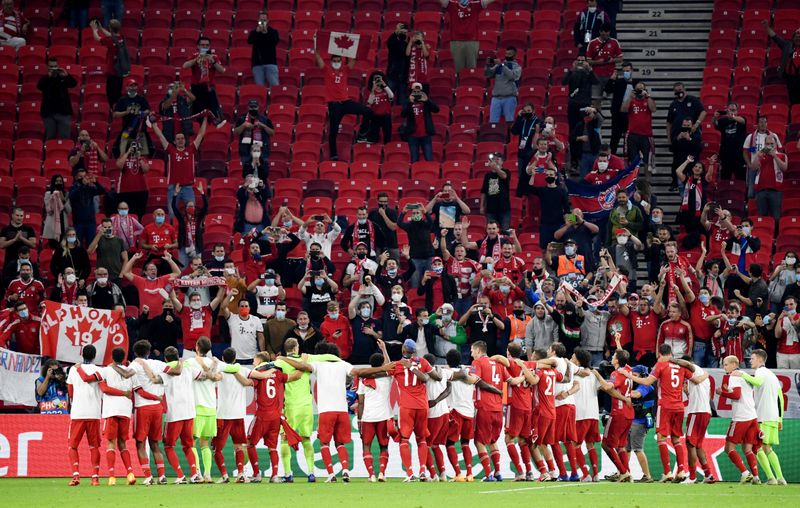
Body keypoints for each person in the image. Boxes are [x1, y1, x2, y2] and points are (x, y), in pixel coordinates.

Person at [627, 344, 692, 482]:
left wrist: (629, 376)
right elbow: (694, 378)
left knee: (661, 438)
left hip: (666, 406)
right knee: (676, 439)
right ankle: (681, 471)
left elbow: (647, 381)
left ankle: (667, 472)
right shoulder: (680, 366)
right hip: (679, 407)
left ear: (660, 354)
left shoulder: (660, 365)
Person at [138, 346, 201, 483]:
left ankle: (180, 475)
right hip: (190, 412)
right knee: (188, 446)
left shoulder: (166, 370)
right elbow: (202, 376)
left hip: (175, 414)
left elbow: (154, 380)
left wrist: (143, 365)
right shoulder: (187, 367)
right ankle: (194, 474)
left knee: (168, 446)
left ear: (166, 359)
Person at [734, 349, 787, 485]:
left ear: (759, 359)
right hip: (773, 417)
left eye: (752, 359)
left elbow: (757, 382)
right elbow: (780, 398)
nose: (750, 361)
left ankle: (771, 478)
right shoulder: (772, 375)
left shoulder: (760, 372)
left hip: (763, 415)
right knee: (767, 448)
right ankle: (780, 478)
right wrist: (780, 418)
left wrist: (742, 374)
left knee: (756, 448)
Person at [314, 49, 371, 160]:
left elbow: (353, 59)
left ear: (341, 61)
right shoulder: (326, 70)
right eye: (334, 60)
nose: (336, 62)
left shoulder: (345, 70)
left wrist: (352, 47)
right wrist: (316, 43)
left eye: (338, 60)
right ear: (331, 62)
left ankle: (362, 133)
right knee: (333, 131)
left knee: (368, 111)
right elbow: (318, 57)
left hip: (346, 102)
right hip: (334, 106)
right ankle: (333, 155)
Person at [151, 116, 208, 220]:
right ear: (174, 141)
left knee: (192, 213)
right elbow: (160, 136)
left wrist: (205, 119)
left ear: (185, 140)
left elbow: (201, 134)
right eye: (178, 139)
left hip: (188, 188)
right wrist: (153, 123)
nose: (180, 140)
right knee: (172, 214)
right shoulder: (170, 149)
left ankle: (190, 234)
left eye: (182, 138)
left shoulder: (191, 149)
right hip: (173, 187)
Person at [127, 340, 167, 486]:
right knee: (155, 443)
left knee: (140, 444)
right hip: (158, 408)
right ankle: (162, 476)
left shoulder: (134, 366)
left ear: (135, 353)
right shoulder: (158, 364)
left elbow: (139, 391)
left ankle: (148, 476)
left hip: (143, 408)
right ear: (149, 352)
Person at [717, 354, 761, 484]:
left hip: (741, 417)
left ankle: (745, 472)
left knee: (729, 448)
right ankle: (756, 477)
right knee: (747, 449)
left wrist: (722, 393)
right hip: (752, 416)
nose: (724, 367)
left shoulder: (734, 375)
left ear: (734, 364)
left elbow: (736, 395)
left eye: (726, 364)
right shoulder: (744, 375)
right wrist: (728, 390)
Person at [592, 349, 633, 481]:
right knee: (621, 446)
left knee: (606, 445)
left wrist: (598, 376)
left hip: (618, 413)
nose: (612, 357)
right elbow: (623, 355)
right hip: (628, 412)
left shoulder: (616, 374)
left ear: (617, 360)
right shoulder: (628, 370)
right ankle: (626, 473)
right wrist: (618, 342)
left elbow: (609, 387)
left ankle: (623, 472)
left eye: (614, 356)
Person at [65, 345, 103, 486]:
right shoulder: (100, 370)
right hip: (94, 413)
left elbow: (70, 392)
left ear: (82, 354)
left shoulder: (73, 370)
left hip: (78, 413)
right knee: (94, 447)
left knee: (73, 446)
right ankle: (95, 478)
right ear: (94, 355)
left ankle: (76, 476)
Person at [98, 348, 136, 486]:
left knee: (111, 443)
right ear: (124, 358)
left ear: (112, 357)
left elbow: (105, 389)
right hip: (125, 410)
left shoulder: (106, 371)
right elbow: (131, 391)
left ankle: (112, 476)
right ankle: (130, 473)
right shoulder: (130, 372)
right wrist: (124, 394)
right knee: (122, 443)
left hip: (111, 411)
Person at [675, 356, 715, 483]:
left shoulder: (695, 369)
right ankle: (708, 474)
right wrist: (688, 393)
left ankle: (692, 477)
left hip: (697, 412)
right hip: (705, 412)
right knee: (697, 445)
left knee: (690, 444)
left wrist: (672, 360)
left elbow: (688, 365)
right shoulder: (703, 375)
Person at [356, 349, 394, 483]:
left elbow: (360, 402)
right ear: (382, 363)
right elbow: (390, 365)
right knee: (383, 446)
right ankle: (382, 473)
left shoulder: (363, 379)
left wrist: (359, 419)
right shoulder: (388, 376)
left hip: (368, 417)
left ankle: (371, 474)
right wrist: (384, 349)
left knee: (366, 445)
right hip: (384, 416)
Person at [441, 0, 497, 73]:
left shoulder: (475, 5)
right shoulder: (452, 4)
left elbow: (486, 1)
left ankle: (471, 83)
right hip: (456, 41)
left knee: (471, 69)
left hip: (472, 41)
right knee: (458, 71)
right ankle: (460, 84)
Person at [183, 36, 226, 126]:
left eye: (207, 45)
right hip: (196, 88)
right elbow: (185, 66)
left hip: (209, 87)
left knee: (213, 114)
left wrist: (213, 62)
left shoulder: (214, 56)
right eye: (202, 45)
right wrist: (196, 60)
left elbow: (222, 70)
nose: (204, 47)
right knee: (197, 114)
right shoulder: (194, 55)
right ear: (198, 46)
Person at [89, 18, 127, 107]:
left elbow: (97, 38)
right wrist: (101, 29)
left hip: (112, 73)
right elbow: (111, 35)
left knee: (111, 95)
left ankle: (113, 109)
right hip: (120, 72)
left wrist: (94, 29)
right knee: (118, 93)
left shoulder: (110, 41)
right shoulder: (121, 38)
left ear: (110, 28)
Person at [38, 58, 78, 140]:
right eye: (51, 66)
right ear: (47, 67)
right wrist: (48, 77)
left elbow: (73, 84)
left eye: (55, 66)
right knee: (50, 138)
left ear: (58, 66)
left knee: (65, 138)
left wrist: (67, 75)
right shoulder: (45, 79)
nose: (53, 68)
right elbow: (39, 86)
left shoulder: (62, 76)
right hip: (49, 113)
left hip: (64, 112)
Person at [221, 289, 264, 364]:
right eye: (242, 306)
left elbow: (261, 338)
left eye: (246, 306)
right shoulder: (232, 318)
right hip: (236, 358)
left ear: (249, 308)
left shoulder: (256, 319)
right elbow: (223, 307)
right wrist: (230, 294)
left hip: (253, 358)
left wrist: (263, 354)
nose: (244, 308)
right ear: (238, 308)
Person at [234, 100, 274, 180]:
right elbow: (235, 132)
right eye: (251, 107)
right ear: (248, 107)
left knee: (263, 175)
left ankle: (261, 189)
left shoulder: (265, 120)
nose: (253, 109)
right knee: (247, 175)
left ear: (258, 107)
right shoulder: (242, 119)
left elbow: (272, 132)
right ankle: (249, 191)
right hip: (246, 151)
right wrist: (243, 126)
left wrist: (263, 126)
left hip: (262, 151)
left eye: (254, 107)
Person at [751, 134, 787, 220]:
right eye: (767, 144)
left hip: (776, 191)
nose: (769, 145)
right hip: (761, 190)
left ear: (776, 144)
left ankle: (776, 233)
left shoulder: (782, 155)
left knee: (776, 217)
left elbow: (784, 168)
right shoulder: (761, 155)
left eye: (772, 143)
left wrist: (774, 156)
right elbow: (753, 167)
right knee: (762, 217)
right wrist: (757, 156)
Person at [398, 204, 434, 289]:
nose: (415, 214)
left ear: (421, 215)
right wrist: (403, 212)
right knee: (415, 284)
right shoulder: (409, 225)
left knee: (430, 284)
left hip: (429, 258)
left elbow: (431, 221)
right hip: (415, 259)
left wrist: (425, 212)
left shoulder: (426, 224)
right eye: (413, 213)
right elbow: (399, 223)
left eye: (417, 213)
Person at [763, 21, 800, 105]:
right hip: (790, 77)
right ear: (793, 38)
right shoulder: (787, 45)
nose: (798, 38)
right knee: (793, 99)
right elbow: (775, 37)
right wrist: (767, 28)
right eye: (796, 36)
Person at [512, 104, 546, 196]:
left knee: (532, 174)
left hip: (532, 153)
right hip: (522, 153)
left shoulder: (538, 121)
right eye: (525, 111)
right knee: (521, 176)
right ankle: (522, 195)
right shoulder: (522, 121)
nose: (527, 113)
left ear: (533, 111)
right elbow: (514, 131)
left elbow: (544, 129)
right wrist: (518, 117)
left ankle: (532, 193)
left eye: (529, 111)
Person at [622, 81, 656, 171]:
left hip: (646, 136)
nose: (640, 91)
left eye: (641, 89)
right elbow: (623, 109)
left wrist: (647, 96)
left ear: (645, 90)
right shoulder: (631, 101)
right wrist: (630, 97)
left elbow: (653, 109)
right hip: (633, 135)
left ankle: (647, 184)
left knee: (647, 162)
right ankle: (632, 183)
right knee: (632, 162)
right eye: (638, 89)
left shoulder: (648, 100)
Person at [604, 62, 637, 155]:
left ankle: (630, 161)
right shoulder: (618, 82)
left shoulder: (636, 83)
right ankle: (612, 158)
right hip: (618, 115)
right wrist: (611, 79)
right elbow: (608, 90)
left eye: (628, 71)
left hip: (631, 116)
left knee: (630, 140)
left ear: (632, 70)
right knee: (614, 138)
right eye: (624, 71)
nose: (626, 72)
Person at [401, 83, 439, 163]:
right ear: (411, 91)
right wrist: (409, 103)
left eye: (419, 91)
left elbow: (436, 109)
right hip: (413, 135)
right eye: (415, 91)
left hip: (425, 134)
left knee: (429, 159)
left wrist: (427, 100)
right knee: (414, 159)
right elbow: (403, 114)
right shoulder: (408, 101)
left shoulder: (426, 101)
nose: (417, 93)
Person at [585, 24, 623, 103]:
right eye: (604, 32)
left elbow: (620, 58)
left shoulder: (614, 42)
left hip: (610, 75)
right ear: (600, 32)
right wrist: (599, 62)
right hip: (596, 75)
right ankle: (595, 114)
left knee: (612, 100)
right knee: (595, 100)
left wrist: (611, 60)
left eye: (607, 32)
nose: (606, 34)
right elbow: (588, 60)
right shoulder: (592, 43)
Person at [485, 47, 522, 123]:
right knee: (493, 122)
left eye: (509, 54)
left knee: (509, 121)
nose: (507, 55)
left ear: (514, 56)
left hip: (509, 97)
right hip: (496, 98)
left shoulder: (517, 67)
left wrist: (502, 65)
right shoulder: (499, 65)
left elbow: (513, 76)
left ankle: (509, 134)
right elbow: (488, 74)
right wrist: (488, 65)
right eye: (506, 54)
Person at [714, 102, 748, 181]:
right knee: (725, 178)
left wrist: (732, 117)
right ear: (727, 110)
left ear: (737, 111)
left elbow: (743, 121)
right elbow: (715, 124)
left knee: (740, 178)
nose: (732, 112)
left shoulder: (741, 119)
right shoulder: (723, 121)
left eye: (734, 110)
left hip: (739, 156)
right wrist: (715, 118)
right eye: (730, 110)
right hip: (725, 155)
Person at [115, 141, 149, 219]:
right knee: (125, 214)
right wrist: (127, 153)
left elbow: (146, 169)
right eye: (132, 146)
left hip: (141, 190)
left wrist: (139, 158)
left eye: (136, 146)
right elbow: (119, 166)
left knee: (139, 214)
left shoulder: (142, 158)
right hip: (125, 190)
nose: (134, 148)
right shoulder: (123, 157)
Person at [481, 153, 512, 230]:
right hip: (491, 209)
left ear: (502, 162)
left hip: (504, 209)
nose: (495, 161)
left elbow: (504, 176)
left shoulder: (506, 171)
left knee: (505, 231)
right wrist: (482, 206)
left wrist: (496, 168)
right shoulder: (487, 175)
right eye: (494, 159)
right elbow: (484, 191)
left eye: (498, 159)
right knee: (491, 231)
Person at [248, 11, 280, 87]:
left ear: (268, 21)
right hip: (257, 64)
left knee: (274, 85)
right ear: (258, 20)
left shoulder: (273, 32)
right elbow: (249, 41)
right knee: (259, 88)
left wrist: (266, 33)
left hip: (270, 62)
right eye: (261, 20)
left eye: (264, 20)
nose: (262, 22)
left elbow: (275, 41)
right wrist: (257, 32)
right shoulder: (254, 32)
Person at [158, 80, 195, 145]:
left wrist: (184, 90)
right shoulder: (164, 101)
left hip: (183, 130)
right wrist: (174, 94)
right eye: (171, 88)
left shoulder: (182, 100)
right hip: (170, 132)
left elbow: (193, 98)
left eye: (174, 88)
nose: (174, 90)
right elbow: (165, 106)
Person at [363, 72, 394, 143]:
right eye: (376, 79)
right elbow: (370, 102)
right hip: (375, 116)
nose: (378, 81)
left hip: (386, 116)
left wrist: (384, 85)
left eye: (379, 79)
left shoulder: (386, 90)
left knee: (387, 136)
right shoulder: (369, 91)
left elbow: (391, 96)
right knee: (374, 137)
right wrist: (373, 88)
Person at [386, 22, 410, 103]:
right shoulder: (393, 42)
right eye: (402, 32)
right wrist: (396, 31)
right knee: (389, 100)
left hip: (403, 77)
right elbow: (389, 43)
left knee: (402, 102)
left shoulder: (406, 44)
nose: (403, 34)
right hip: (392, 75)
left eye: (405, 32)